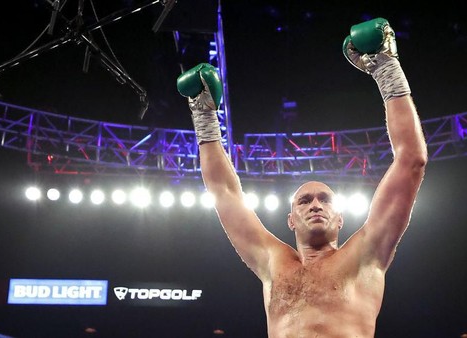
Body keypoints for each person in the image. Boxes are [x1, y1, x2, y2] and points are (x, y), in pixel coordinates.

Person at [177, 17, 427, 337]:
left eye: (325, 199)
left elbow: (411, 161)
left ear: (340, 217)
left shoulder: (365, 254)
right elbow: (224, 193)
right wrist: (203, 115)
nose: (315, 204)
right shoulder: (273, 262)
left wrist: (386, 69)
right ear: (291, 219)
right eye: (304, 200)